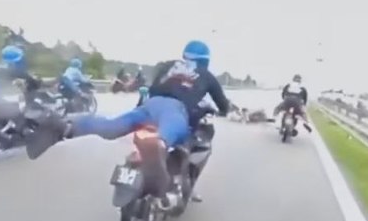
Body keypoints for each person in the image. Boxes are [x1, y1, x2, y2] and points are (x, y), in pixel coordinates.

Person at [27, 40, 230, 206]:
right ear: (206, 60)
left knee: (111, 126)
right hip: (174, 109)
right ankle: (159, 145)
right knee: (172, 129)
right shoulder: (207, 75)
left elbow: (153, 88)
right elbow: (222, 104)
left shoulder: (168, 65)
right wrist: (223, 110)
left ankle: (66, 126)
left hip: (148, 106)